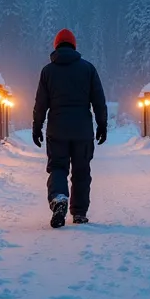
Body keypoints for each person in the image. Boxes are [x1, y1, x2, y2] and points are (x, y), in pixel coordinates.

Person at [32, 29, 107, 228]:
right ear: (74, 46)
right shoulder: (88, 69)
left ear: (56, 46)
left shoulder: (48, 71)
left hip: (57, 129)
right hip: (83, 130)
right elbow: (99, 100)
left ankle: (59, 197)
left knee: (58, 167)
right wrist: (102, 125)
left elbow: (41, 103)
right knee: (82, 171)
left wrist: (37, 126)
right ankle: (79, 213)